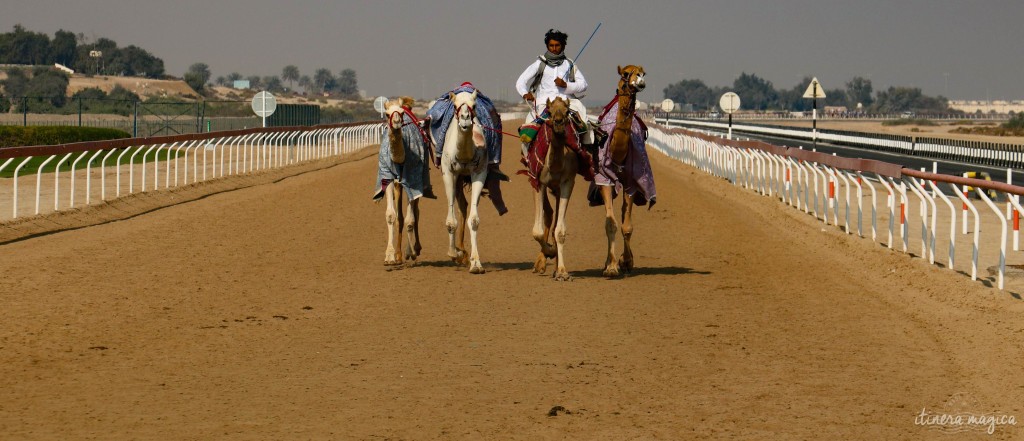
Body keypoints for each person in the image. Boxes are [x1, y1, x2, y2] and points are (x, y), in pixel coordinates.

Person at [426, 82, 509, 215]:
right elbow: (433, 114)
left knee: (492, 124)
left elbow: (433, 113)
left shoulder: (480, 103)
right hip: (461, 107)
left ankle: (492, 162)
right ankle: (440, 154)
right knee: (492, 123)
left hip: (473, 108)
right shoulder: (454, 101)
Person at [515, 29, 594, 156]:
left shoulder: (570, 64)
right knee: (529, 128)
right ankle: (527, 156)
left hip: (567, 103)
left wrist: (566, 85)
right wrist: (525, 93)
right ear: (547, 46)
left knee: (584, 123)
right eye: (551, 45)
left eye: (557, 45)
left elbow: (583, 85)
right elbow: (520, 81)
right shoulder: (540, 63)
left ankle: (587, 151)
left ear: (562, 46)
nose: (554, 48)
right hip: (544, 104)